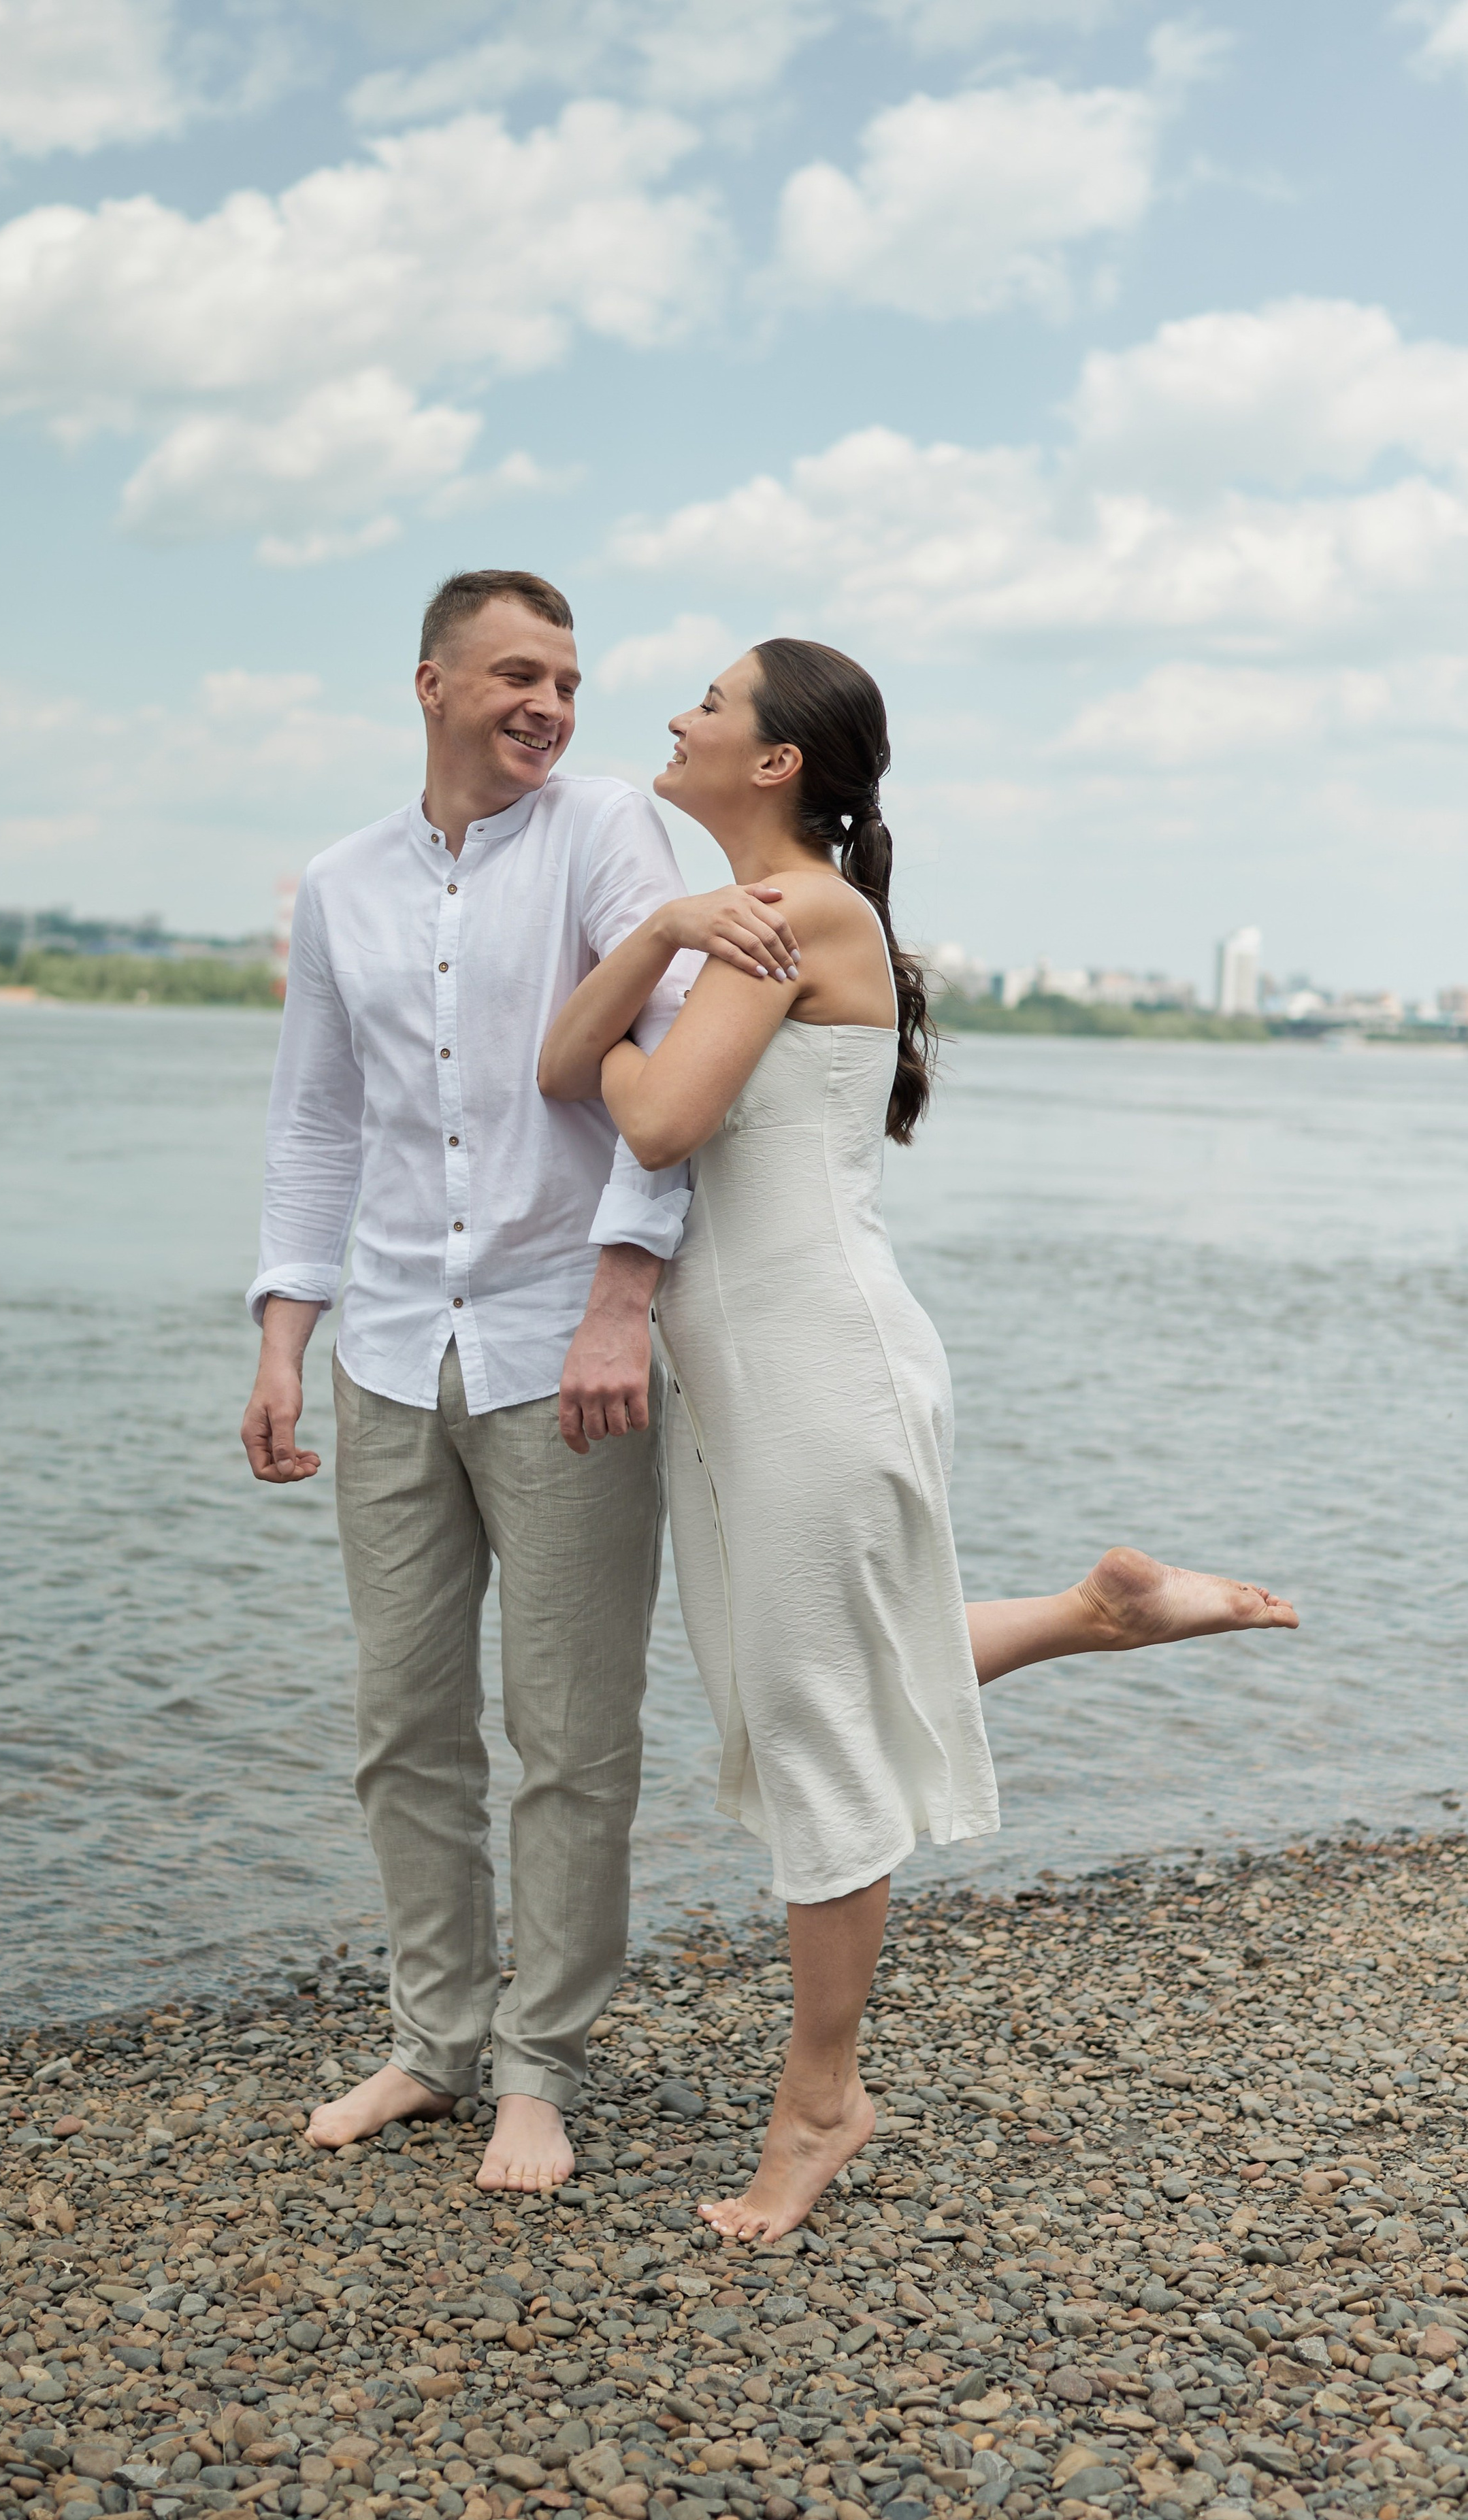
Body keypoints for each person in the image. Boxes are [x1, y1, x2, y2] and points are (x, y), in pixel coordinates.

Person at [537, 636, 1299, 2240]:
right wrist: (660, 930)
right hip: (752, 1374)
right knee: (800, 1684)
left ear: (774, 763)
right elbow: (557, 1066)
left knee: (813, 1722)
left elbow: (650, 1117)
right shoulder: (731, 920)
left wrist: (641, 988)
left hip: (817, 1366)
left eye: (708, 702)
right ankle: (1096, 1614)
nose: (672, 716)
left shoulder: (802, 911)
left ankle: (821, 2101)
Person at [238, 569, 806, 2193]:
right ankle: (432, 2041)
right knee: (404, 1720)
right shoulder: (341, 881)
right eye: (513, 675)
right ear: (431, 684)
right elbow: (315, 1118)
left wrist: (621, 1299)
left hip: (564, 1346)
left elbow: (669, 1077)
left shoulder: (606, 829)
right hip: (387, 1348)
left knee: (569, 1734)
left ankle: (538, 2067)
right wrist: (283, 1330)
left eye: (563, 678)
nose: (547, 705)